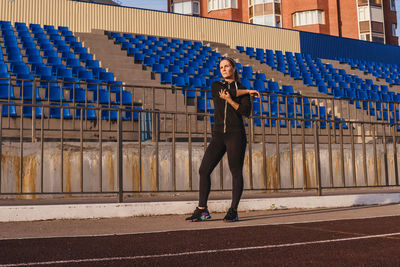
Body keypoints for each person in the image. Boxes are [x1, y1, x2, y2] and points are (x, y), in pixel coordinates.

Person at [186, 57, 260, 222]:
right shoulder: (216, 85)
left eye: (227, 66)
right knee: (204, 170)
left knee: (235, 172)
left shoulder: (242, 88)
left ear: (234, 68)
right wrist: (247, 92)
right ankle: (202, 209)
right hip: (219, 135)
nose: (224, 69)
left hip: (236, 134)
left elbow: (245, 112)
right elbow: (226, 93)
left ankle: (233, 210)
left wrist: (231, 101)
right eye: (221, 67)